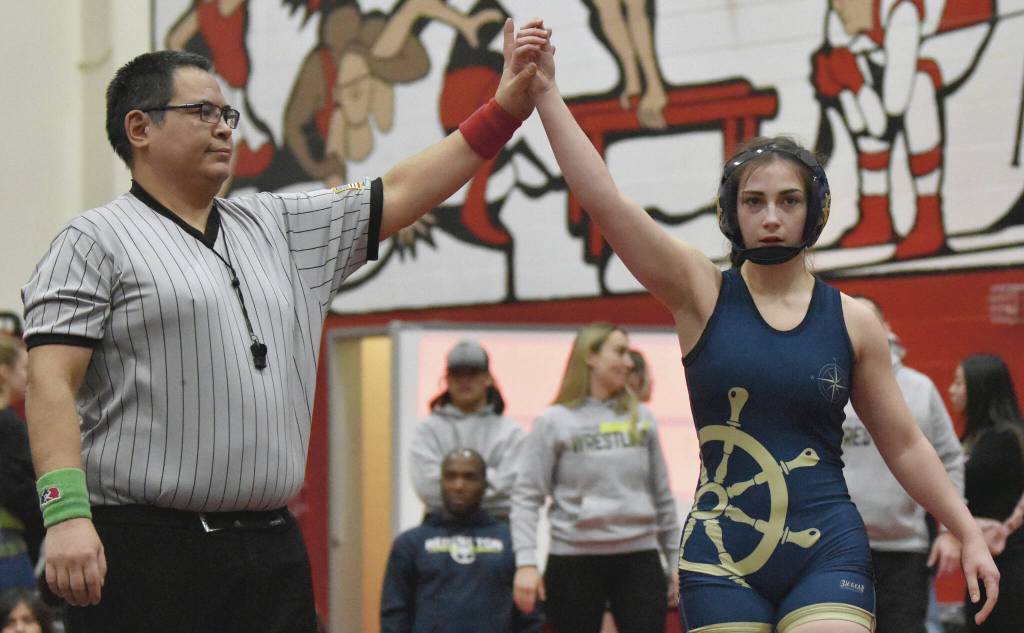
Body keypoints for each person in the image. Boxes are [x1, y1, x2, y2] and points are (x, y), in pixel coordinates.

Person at [19, 23, 539, 632]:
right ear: (140, 128)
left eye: (228, 114)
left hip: (271, 547)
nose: (224, 127)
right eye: (202, 112)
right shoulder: (93, 240)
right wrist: (65, 514)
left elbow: (399, 189)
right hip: (146, 546)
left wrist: (504, 111)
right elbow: (50, 382)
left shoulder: (281, 225)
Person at [510, 24, 998, 632]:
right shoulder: (700, 292)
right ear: (731, 212)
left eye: (789, 201)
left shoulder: (853, 320)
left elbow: (905, 444)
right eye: (754, 201)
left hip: (827, 549)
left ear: (814, 212)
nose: (771, 217)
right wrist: (546, 93)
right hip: (721, 554)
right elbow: (605, 201)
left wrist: (965, 528)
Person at [511, 322, 680, 633]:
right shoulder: (554, 421)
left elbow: (662, 495)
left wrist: (676, 560)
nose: (629, 362)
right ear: (590, 357)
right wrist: (526, 563)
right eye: (620, 352)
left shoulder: (642, 418)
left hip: (638, 558)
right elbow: (527, 496)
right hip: (573, 561)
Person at [841, 297, 964, 633]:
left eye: (867, 320)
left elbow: (950, 459)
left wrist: (951, 532)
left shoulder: (920, 388)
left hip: (904, 550)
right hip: (836, 548)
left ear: (886, 329)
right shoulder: (825, 388)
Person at [380, 448, 542, 633]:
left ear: (484, 485)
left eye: (469, 477)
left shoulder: (512, 542)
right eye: (450, 477)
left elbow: (530, 614)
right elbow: (394, 614)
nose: (459, 486)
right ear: (441, 483)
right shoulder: (410, 544)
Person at [944, 354, 1024, 631]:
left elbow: (961, 488)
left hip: (1010, 562)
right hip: (984, 559)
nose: (951, 390)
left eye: (959, 383)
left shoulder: (1005, 439)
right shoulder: (973, 438)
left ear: (981, 388)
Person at [410, 340, 524, 520]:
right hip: (440, 524)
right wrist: (488, 479)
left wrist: (450, 485)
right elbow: (426, 487)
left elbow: (512, 486)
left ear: (488, 378)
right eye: (457, 375)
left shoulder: (510, 432)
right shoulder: (427, 430)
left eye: (472, 373)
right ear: (447, 380)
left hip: (497, 523)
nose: (464, 381)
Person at [0, 336, 40, 594]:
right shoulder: (8, 426)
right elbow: (16, 489)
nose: (28, 376)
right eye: (24, 368)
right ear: (4, 372)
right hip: (9, 543)